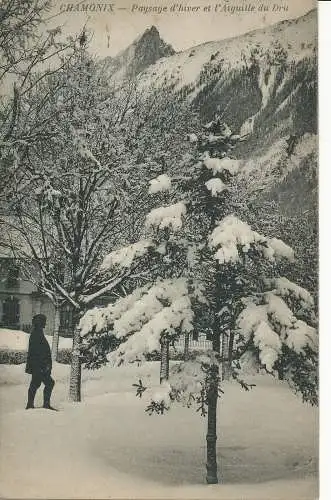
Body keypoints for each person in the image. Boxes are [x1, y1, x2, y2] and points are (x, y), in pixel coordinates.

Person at [25, 314, 56, 410]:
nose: (45, 324)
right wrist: (43, 366)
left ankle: (30, 405)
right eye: (43, 322)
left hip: (38, 366)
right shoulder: (36, 334)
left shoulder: (37, 332)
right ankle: (44, 405)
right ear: (39, 322)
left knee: (35, 384)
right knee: (49, 383)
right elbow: (37, 352)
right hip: (39, 366)